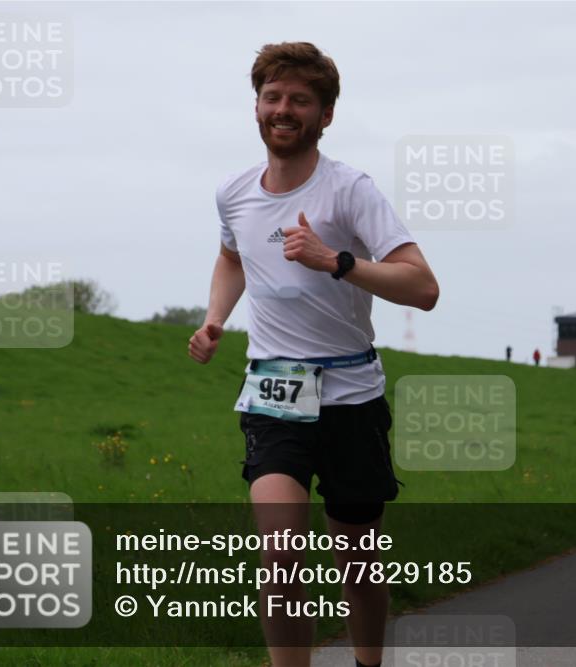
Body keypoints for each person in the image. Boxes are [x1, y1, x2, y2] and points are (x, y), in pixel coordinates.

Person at [188, 42, 439, 667]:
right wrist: (215, 319)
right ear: (256, 107)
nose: (283, 109)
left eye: (300, 100)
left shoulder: (350, 190)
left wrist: (337, 261)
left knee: (357, 558)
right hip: (274, 394)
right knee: (280, 555)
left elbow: (423, 288)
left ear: (325, 115)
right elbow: (231, 258)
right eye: (272, 97)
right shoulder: (234, 192)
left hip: (352, 394)